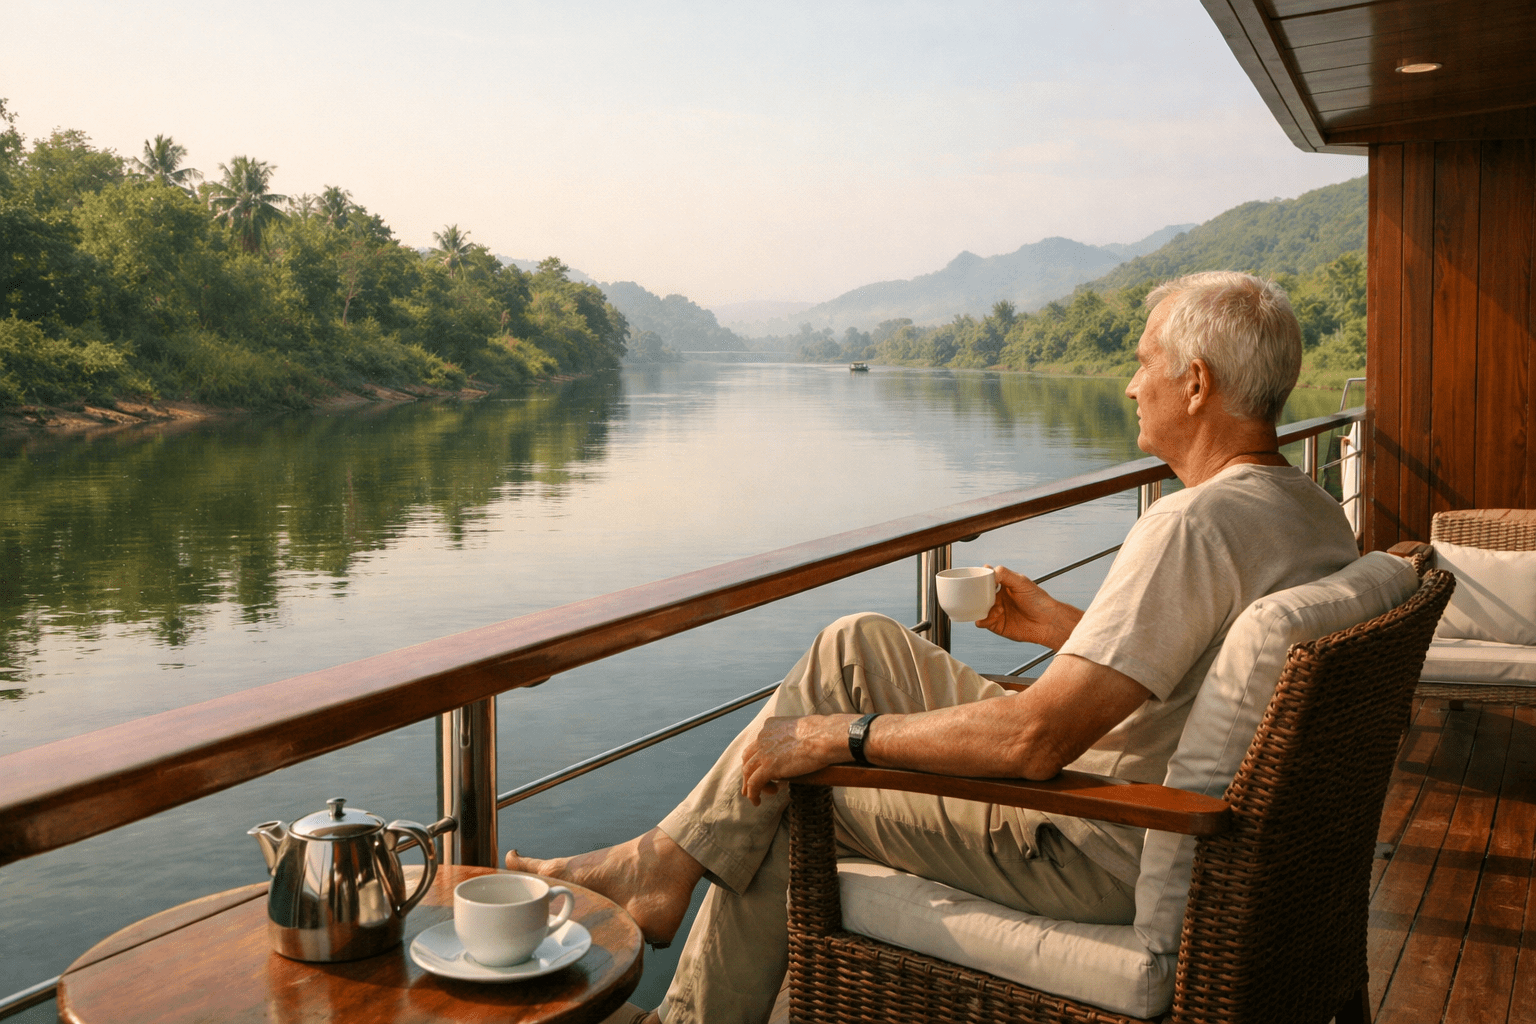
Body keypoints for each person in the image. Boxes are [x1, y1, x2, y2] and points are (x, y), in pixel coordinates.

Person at [509, 272, 1359, 1024]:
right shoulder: (1310, 511)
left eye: (1142, 363)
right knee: (857, 645)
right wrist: (1070, 630)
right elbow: (1208, 670)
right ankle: (662, 861)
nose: (1131, 384)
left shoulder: (1191, 524)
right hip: (1148, 785)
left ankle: (687, 999)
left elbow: (1035, 744)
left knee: (792, 789)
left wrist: (833, 739)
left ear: (1197, 383)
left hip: (1097, 829)